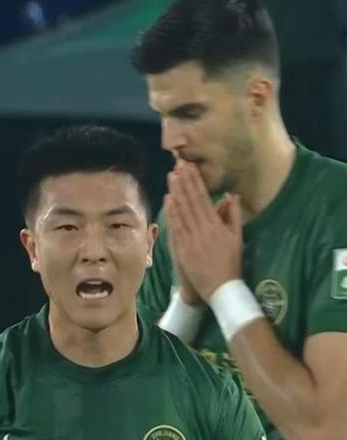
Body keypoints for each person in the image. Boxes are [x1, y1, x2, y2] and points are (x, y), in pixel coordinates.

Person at [0, 125, 266, 439]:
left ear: (149, 245)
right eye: (68, 227)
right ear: (33, 249)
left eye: (117, 226)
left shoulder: (213, 396)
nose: (94, 252)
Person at [131, 1, 347, 439]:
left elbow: (327, 428)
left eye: (189, 113)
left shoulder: (336, 211)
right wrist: (187, 304)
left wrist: (224, 290)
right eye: (163, 116)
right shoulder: (183, 215)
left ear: (257, 98)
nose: (170, 139)